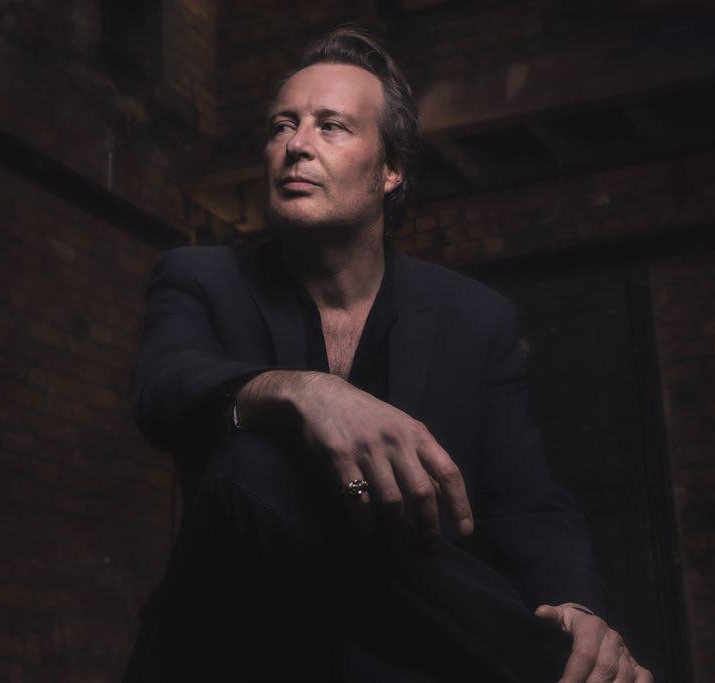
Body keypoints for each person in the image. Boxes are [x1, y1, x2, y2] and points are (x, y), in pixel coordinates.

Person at [122, 26, 653, 683]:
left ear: (391, 169)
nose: (296, 145)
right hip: (234, 647)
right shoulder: (200, 277)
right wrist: (306, 394)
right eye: (283, 125)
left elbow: (525, 502)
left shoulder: (473, 318)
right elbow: (162, 389)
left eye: (331, 126)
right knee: (255, 463)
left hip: (394, 661)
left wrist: (576, 608)